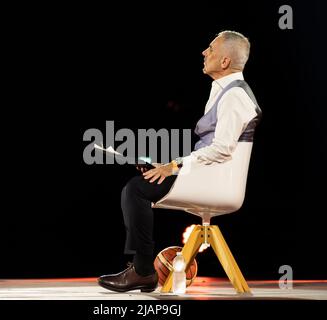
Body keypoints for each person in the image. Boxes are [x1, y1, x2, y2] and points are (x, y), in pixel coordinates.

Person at [98, 30, 262, 293]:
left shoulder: (234, 96)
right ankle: (142, 270)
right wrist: (166, 167)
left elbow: (221, 149)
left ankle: (142, 271)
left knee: (136, 190)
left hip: (218, 184)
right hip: (207, 175)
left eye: (210, 48)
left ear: (224, 62)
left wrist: (174, 166)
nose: (204, 52)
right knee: (142, 182)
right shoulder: (224, 91)